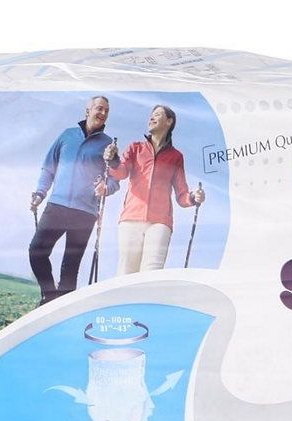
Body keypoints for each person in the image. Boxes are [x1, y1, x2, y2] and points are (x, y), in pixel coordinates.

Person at [29, 96, 119, 304]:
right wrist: (40, 193)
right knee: (36, 251)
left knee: (71, 266)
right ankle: (49, 295)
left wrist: (106, 187)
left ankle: (62, 308)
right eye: (99, 108)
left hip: (85, 212)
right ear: (87, 110)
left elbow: (116, 179)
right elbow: (49, 168)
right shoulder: (67, 135)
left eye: (106, 111)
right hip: (57, 206)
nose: (103, 113)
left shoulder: (108, 145)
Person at [100, 105, 205, 274]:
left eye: (157, 114)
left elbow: (182, 194)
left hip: (160, 222)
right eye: (151, 115)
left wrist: (193, 197)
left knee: (151, 272)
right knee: (126, 272)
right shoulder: (135, 148)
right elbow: (121, 173)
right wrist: (112, 160)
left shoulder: (176, 157)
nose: (151, 117)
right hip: (131, 219)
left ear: (169, 121)